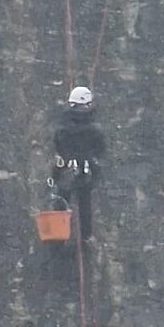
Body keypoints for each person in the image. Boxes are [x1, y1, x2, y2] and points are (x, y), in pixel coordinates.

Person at [46, 86, 107, 241]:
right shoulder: (95, 130)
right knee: (84, 201)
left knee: (62, 198)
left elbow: (58, 145)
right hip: (85, 170)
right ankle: (86, 235)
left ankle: (58, 234)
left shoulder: (63, 128)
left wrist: (57, 171)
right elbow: (101, 150)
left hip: (66, 167)